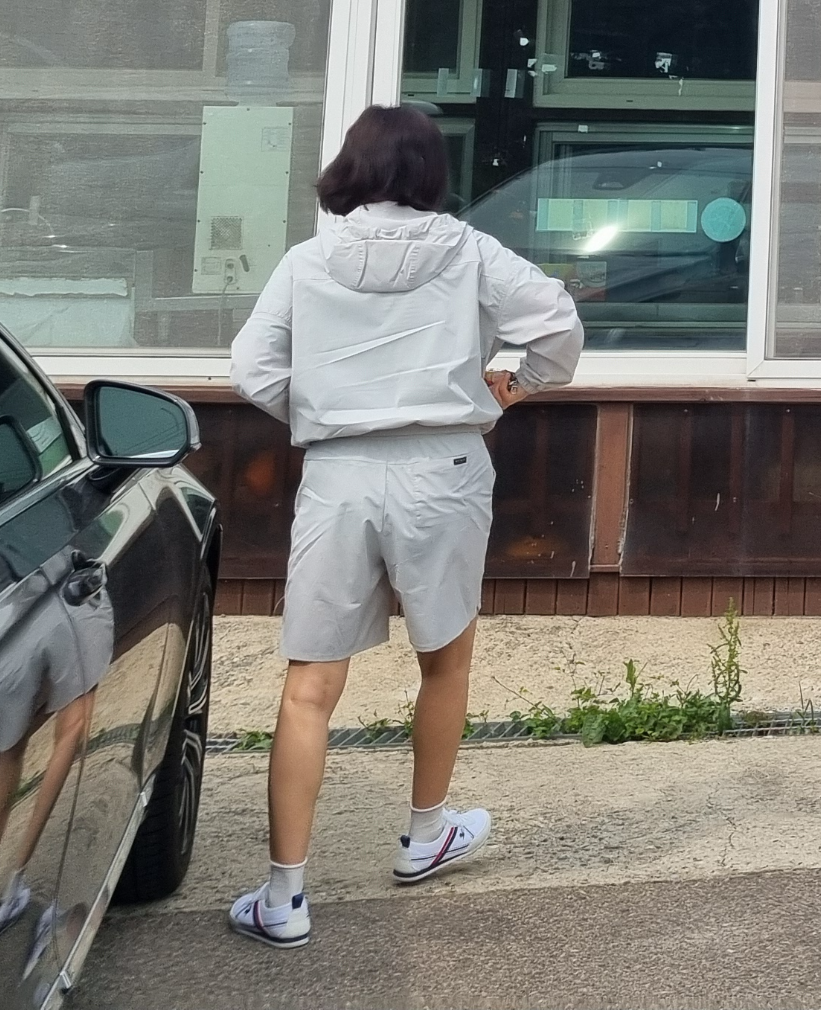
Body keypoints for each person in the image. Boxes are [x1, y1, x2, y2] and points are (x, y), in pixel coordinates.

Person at [223, 103, 583, 949]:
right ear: (429, 174)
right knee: (444, 660)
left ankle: (284, 897)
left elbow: (251, 368)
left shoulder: (309, 261)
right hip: (443, 468)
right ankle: (425, 835)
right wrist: (514, 386)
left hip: (341, 473)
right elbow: (559, 326)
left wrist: (320, 410)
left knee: (311, 685)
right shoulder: (469, 252)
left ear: (353, 168)